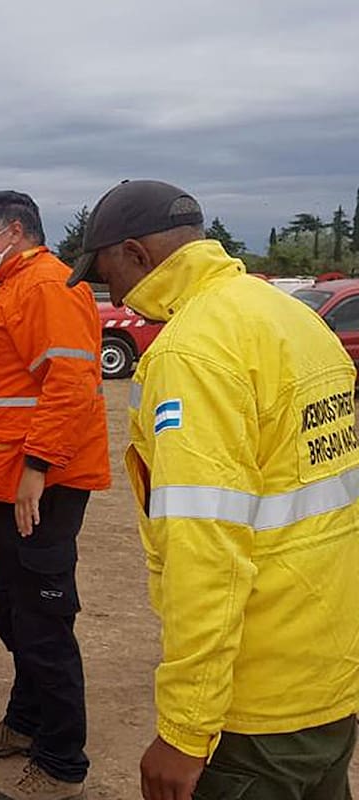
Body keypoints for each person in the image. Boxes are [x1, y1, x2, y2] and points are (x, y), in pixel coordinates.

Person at [69, 180, 359, 800]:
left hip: (255, 705)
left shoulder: (193, 350)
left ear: (138, 254)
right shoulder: (292, 319)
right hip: (329, 678)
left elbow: (207, 550)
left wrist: (184, 728)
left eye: (105, 272)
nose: (109, 291)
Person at [0, 191, 110, 800]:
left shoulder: (47, 287)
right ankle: (26, 720)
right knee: (11, 606)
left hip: (39, 485)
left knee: (42, 620)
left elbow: (70, 383)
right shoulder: (11, 287)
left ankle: (61, 762)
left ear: (14, 231)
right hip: (1, 482)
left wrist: (37, 468)